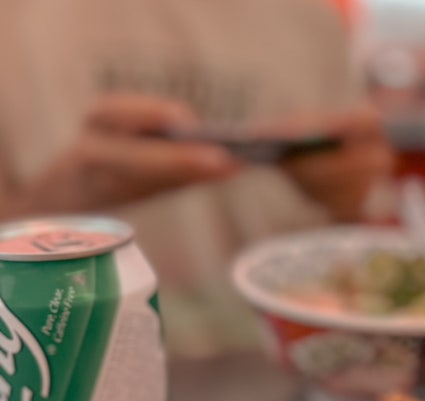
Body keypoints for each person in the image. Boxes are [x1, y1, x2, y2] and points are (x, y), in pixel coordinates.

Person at [0, 0, 396, 357]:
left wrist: (346, 196)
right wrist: (56, 201)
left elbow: (371, 245)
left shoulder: (314, 22)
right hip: (61, 363)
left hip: (276, 359)